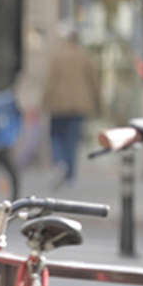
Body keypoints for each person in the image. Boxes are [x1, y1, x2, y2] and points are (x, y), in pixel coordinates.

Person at [41, 21, 100, 186]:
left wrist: (44, 102)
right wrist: (97, 102)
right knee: (72, 139)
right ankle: (70, 175)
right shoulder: (84, 55)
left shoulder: (57, 55)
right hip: (80, 103)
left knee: (56, 135)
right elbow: (94, 81)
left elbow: (50, 81)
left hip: (58, 103)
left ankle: (60, 163)